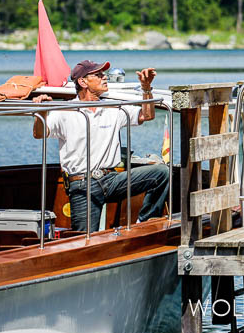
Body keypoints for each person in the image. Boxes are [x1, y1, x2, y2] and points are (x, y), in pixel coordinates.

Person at [33, 60, 169, 232]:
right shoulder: (64, 111)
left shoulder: (113, 107)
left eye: (103, 74)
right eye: (98, 75)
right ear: (83, 82)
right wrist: (40, 112)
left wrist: (146, 88)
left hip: (111, 179)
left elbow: (147, 115)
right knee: (83, 239)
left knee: (162, 173)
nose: (104, 77)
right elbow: (39, 133)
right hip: (82, 183)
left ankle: (145, 222)